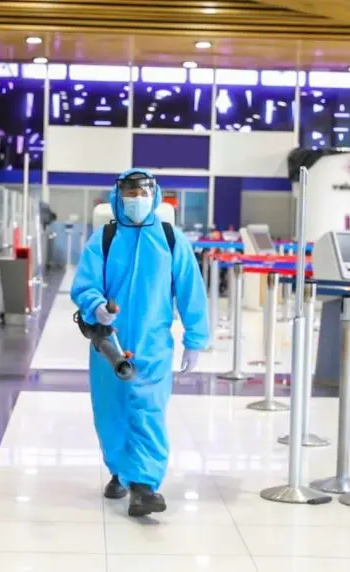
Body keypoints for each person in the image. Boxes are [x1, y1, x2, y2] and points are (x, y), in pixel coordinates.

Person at [71, 168, 209, 517]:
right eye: (129, 194)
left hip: (153, 343)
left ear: (155, 195)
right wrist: (97, 308)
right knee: (110, 412)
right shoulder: (103, 239)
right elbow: (85, 285)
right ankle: (120, 470)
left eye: (142, 193)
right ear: (118, 197)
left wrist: (195, 339)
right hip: (109, 345)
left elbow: (191, 291)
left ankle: (144, 485)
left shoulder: (170, 238)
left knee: (148, 410)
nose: (136, 200)